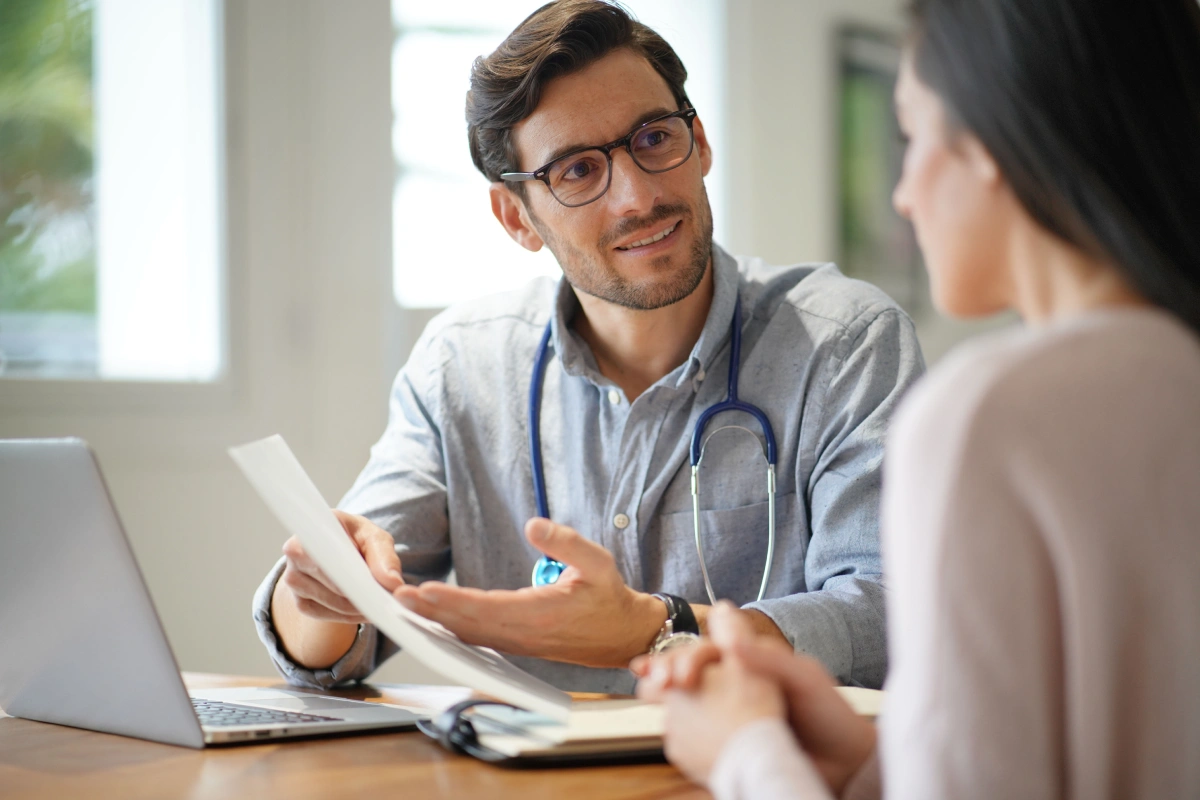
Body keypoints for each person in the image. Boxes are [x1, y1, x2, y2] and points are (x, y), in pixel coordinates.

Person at [252, 0, 924, 695]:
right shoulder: (463, 368)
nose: (637, 195)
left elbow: (888, 614)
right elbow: (332, 635)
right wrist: (323, 593)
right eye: (576, 171)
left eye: (655, 139)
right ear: (517, 217)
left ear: (701, 141)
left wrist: (656, 629)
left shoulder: (844, 345)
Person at [635, 0, 1200, 796]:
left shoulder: (990, 415)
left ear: (994, 142)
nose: (903, 193)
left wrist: (742, 750)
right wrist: (872, 762)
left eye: (914, 134)